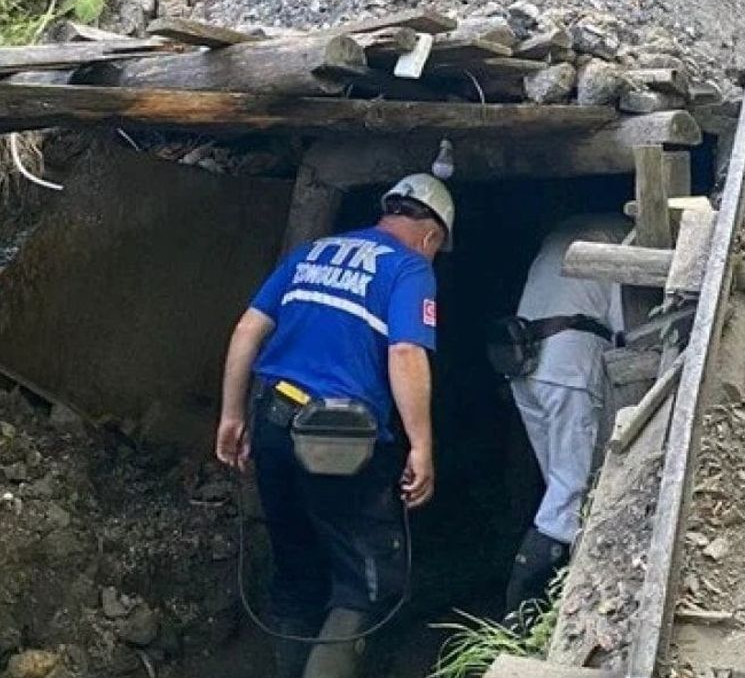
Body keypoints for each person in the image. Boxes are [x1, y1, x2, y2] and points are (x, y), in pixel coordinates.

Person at [215, 173, 454, 678]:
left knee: (297, 567)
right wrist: (422, 445)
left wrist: (233, 416)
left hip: (273, 419)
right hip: (338, 439)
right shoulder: (411, 269)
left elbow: (247, 328)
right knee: (366, 584)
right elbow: (407, 351)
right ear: (432, 236)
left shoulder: (312, 251)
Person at [503, 214, 628, 621]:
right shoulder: (624, 239)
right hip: (569, 365)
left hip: (522, 363)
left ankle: (534, 606)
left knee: (556, 485)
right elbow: (626, 326)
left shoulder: (556, 234)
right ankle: (527, 609)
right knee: (570, 491)